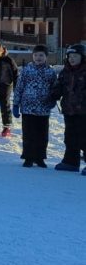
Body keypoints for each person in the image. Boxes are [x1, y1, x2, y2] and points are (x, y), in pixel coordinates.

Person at [12, 45, 56, 167]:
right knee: (29, 134)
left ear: (46, 57)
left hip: (43, 109)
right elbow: (19, 87)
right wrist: (16, 104)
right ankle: (28, 157)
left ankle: (40, 157)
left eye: (41, 55)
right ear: (32, 56)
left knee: (42, 135)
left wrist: (53, 99)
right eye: (36, 55)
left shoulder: (50, 72)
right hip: (28, 108)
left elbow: (54, 89)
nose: (38, 58)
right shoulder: (26, 70)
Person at [49, 43, 86, 173]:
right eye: (70, 56)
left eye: (75, 56)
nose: (72, 59)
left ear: (82, 57)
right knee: (70, 137)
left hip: (83, 111)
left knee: (84, 137)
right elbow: (59, 86)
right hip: (69, 110)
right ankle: (71, 162)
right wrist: (54, 95)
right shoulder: (66, 71)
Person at [0, 45, 18, 137]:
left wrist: (15, 86)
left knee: (5, 105)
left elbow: (16, 73)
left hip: (5, 85)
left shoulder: (8, 60)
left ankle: (7, 126)